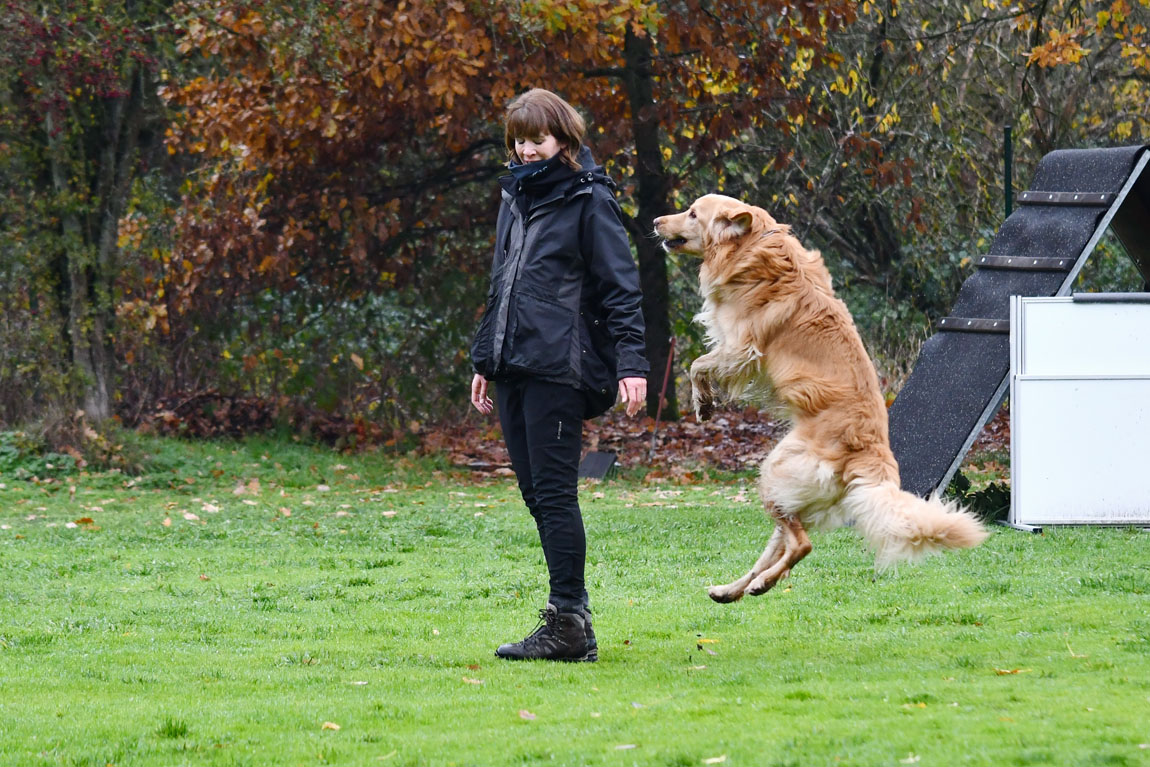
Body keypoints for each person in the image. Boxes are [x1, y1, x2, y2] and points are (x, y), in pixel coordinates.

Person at [469, 88, 649, 662]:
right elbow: (503, 282)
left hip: (558, 366)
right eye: (518, 140)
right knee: (536, 494)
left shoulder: (588, 198)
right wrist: (483, 360)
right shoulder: (514, 196)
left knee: (553, 492)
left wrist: (633, 363)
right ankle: (569, 622)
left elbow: (621, 287)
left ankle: (569, 622)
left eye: (536, 139)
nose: (525, 150)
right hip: (512, 365)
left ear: (564, 139)